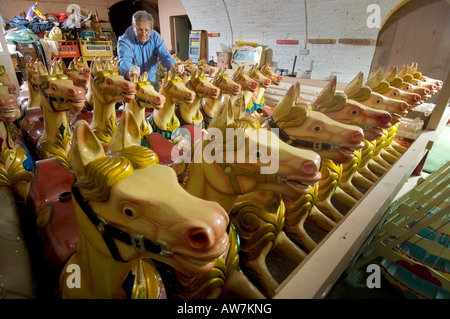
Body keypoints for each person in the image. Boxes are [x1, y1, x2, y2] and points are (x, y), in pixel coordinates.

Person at [117, 10, 175, 90]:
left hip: (152, 81)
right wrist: (130, 72)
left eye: (146, 30)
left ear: (151, 28)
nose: (143, 33)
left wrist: (173, 67)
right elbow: (124, 60)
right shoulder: (125, 40)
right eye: (139, 29)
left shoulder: (155, 36)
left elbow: (164, 55)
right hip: (133, 83)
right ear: (133, 26)